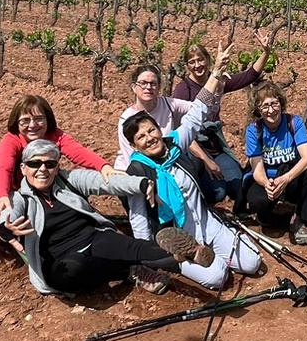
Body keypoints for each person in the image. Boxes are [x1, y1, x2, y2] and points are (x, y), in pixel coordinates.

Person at [125, 42, 267, 289]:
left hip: (207, 223)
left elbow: (197, 113)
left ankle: (214, 245)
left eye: (151, 130)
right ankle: (179, 255)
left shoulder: (174, 145)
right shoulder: (138, 171)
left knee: (253, 263)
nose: (149, 138)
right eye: (141, 137)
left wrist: (216, 73)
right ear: (135, 146)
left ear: (160, 129)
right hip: (176, 232)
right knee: (218, 277)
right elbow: (138, 217)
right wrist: (144, 253)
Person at [0, 139, 213, 296]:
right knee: (76, 268)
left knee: (129, 246)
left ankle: (188, 253)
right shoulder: (20, 198)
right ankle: (129, 269)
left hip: (92, 239)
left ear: (57, 167)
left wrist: (140, 184)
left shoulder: (69, 180)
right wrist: (7, 229)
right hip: (61, 263)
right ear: (24, 168)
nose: (43, 169)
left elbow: (106, 181)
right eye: (35, 164)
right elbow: (7, 216)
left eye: (50, 164)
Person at [171, 29, 277, 206]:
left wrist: (266, 52)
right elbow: (181, 131)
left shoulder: (219, 82)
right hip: (193, 149)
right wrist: (206, 162)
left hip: (214, 146)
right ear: (187, 66)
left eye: (200, 60)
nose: (197, 65)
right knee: (218, 193)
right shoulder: (184, 90)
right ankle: (198, 205)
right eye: (192, 62)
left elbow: (251, 75)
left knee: (237, 187)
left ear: (208, 60)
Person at [0, 94, 114, 220]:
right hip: (15, 187)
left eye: (39, 119)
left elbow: (77, 151)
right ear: (16, 122)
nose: (32, 125)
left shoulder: (55, 135)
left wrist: (103, 166)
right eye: (25, 120)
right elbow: (4, 169)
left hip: (45, 184)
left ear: (47, 120)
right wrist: (2, 195)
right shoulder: (11, 140)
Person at [243, 81, 307, 246]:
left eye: (274, 104)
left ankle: (300, 219)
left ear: (281, 103)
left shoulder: (294, 122)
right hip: (267, 178)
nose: (271, 110)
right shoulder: (253, 130)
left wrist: (285, 179)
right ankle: (272, 218)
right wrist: (267, 184)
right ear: (258, 109)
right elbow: (257, 168)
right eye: (265, 106)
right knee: (259, 203)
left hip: (290, 177)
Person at [114, 63, 194, 167]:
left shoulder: (169, 105)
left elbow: (197, 108)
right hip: (139, 169)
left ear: (158, 87)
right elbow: (130, 157)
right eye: (143, 83)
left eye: (153, 83)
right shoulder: (126, 119)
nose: (148, 87)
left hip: (167, 163)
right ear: (134, 87)